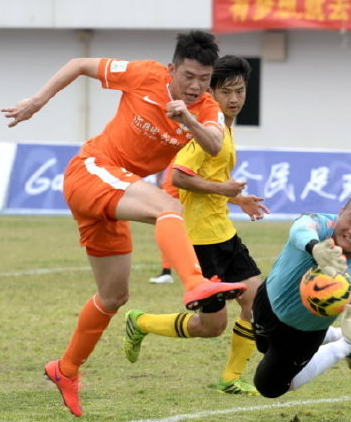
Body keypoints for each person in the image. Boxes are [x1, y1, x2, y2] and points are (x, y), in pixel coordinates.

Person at [1, 31, 248, 417]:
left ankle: (65, 370)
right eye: (189, 76)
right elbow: (79, 65)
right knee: (167, 206)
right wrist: (37, 101)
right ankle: (194, 282)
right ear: (171, 69)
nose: (197, 86)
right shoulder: (143, 74)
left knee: (114, 296)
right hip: (91, 171)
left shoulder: (206, 110)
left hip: (115, 194)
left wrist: (188, 118)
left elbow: (215, 143)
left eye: (204, 79)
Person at [123, 55, 269, 395]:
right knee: (211, 326)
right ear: (210, 94)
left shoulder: (226, 129)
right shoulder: (201, 133)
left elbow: (213, 178)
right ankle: (141, 322)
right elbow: (179, 177)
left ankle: (231, 378)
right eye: (226, 92)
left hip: (224, 235)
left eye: (240, 90)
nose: (234, 99)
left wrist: (237, 199)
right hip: (200, 242)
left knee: (254, 300)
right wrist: (223, 189)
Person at [251, 193, 351, 398]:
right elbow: (299, 229)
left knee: (269, 386)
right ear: (341, 212)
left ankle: (345, 344)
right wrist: (315, 248)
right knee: (263, 347)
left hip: (303, 336)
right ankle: (335, 334)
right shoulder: (321, 224)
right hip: (266, 301)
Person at [148, 164, 179, 284]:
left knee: (167, 225)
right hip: (189, 178)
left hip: (177, 179)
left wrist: (158, 179)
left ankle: (166, 271)